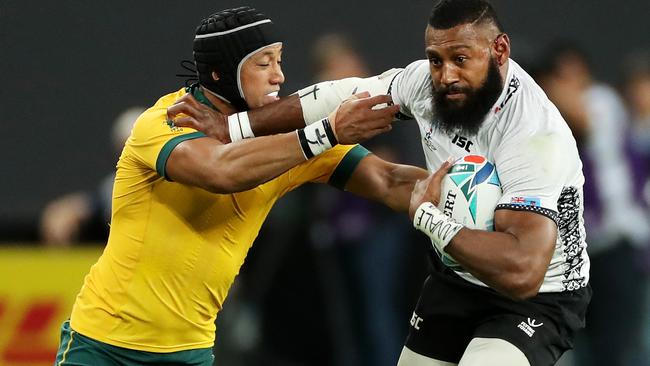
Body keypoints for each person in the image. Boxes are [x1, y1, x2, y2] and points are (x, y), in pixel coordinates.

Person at [173, 1, 592, 365]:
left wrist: (430, 219)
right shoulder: (424, 86)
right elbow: (334, 98)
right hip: (457, 280)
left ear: (499, 50)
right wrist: (234, 126)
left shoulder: (536, 134)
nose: (445, 76)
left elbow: (523, 271)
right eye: (435, 59)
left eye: (461, 59)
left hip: (534, 299)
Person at [53, 6, 431, 366]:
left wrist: (464, 193)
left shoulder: (294, 139)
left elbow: (389, 180)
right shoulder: (167, 119)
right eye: (263, 63)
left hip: (189, 351)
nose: (279, 76)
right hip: (103, 345)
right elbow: (221, 171)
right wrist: (328, 131)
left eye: (279, 61)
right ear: (220, 73)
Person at [537, 42, 650, 366]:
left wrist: (539, 93)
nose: (567, 84)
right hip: (576, 254)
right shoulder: (544, 124)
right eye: (559, 76)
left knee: (619, 348)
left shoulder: (603, 101)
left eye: (573, 75)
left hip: (616, 242)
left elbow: (582, 116)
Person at [40, 106, 145, 246]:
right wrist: (63, 212)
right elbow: (86, 205)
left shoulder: (177, 182)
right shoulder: (114, 186)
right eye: (127, 148)